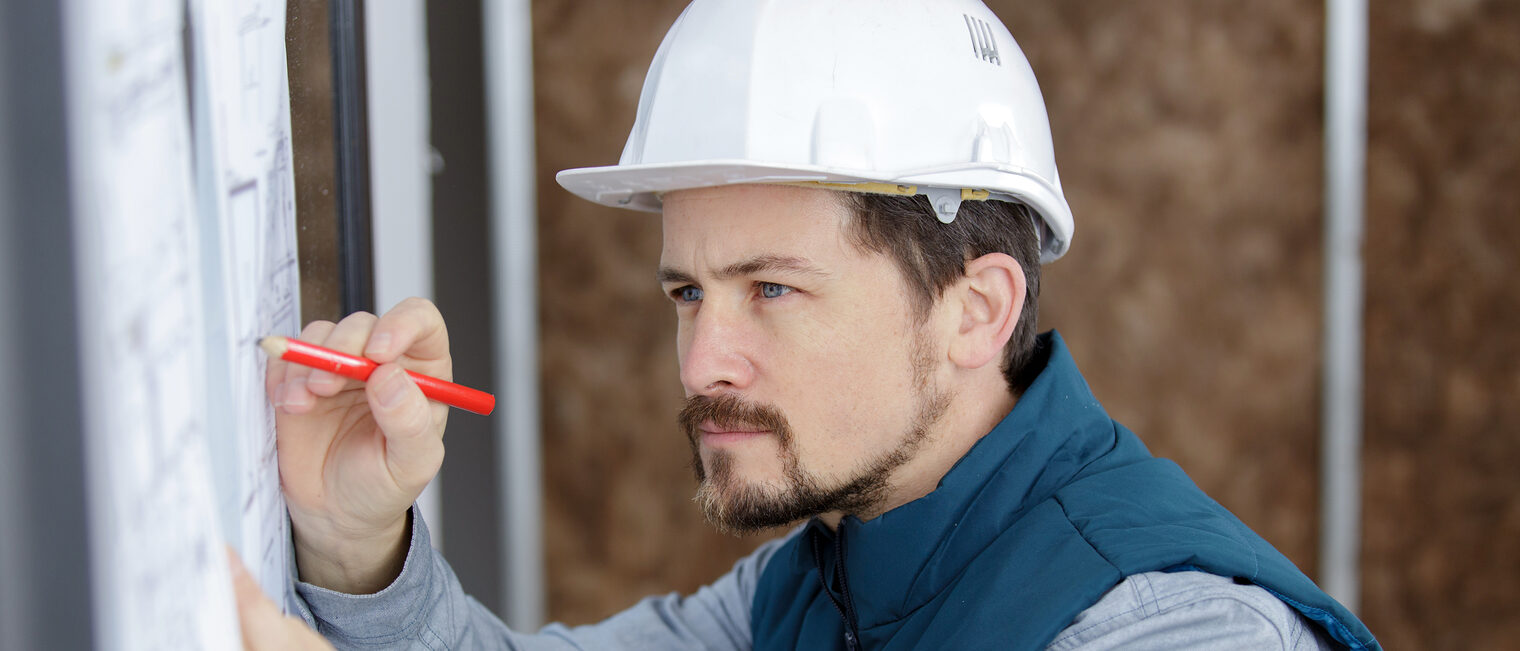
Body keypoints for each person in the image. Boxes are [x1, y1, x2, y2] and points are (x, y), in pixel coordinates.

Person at [237, 1, 1380, 649]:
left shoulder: (1168, 632)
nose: (701, 362)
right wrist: (357, 542)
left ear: (974, 310)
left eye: (771, 290)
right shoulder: (820, 583)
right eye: (687, 293)